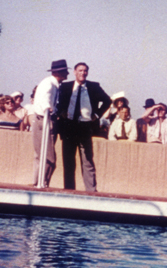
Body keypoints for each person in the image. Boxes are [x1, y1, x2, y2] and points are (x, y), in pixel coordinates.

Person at [56, 62, 111, 191]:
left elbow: (108, 100)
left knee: (87, 161)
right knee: (68, 162)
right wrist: (61, 112)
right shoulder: (65, 86)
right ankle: (69, 190)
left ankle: (91, 190)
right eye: (80, 70)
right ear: (74, 72)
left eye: (85, 70)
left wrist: (97, 115)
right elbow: (56, 102)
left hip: (85, 126)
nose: (83, 73)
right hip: (69, 126)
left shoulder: (94, 86)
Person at [31, 59, 69, 187]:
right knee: (49, 158)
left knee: (41, 156)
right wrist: (48, 108)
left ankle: (37, 182)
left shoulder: (52, 83)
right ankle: (42, 183)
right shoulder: (49, 84)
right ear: (59, 72)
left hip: (42, 120)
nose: (67, 74)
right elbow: (45, 98)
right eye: (65, 71)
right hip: (44, 120)